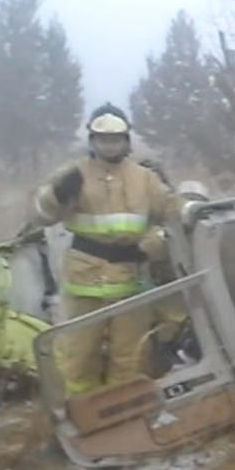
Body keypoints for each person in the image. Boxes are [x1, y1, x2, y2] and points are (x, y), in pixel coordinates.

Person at [32, 103, 182, 394]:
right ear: (92, 141)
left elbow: (172, 210)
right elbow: (42, 215)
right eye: (103, 139)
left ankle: (122, 420)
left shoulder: (144, 178)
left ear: (126, 141)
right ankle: (81, 419)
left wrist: (187, 216)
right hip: (84, 282)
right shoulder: (73, 175)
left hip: (131, 282)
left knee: (130, 359)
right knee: (79, 358)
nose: (109, 145)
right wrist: (56, 195)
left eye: (115, 139)